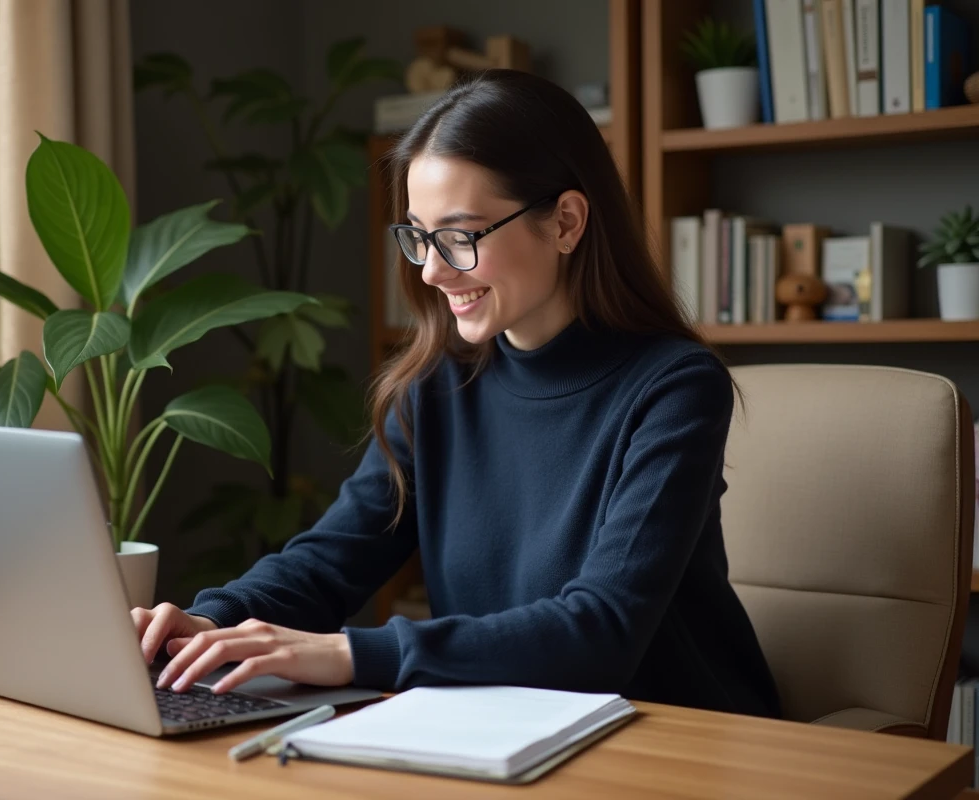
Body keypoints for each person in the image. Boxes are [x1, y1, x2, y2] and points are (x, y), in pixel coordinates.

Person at [133, 69, 781, 719]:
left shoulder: (674, 388)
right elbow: (330, 561)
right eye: (418, 235)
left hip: (675, 736)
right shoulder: (438, 385)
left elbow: (601, 631)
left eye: (460, 236)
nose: (431, 270)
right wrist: (205, 620)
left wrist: (350, 654)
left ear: (565, 222)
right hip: (502, 729)